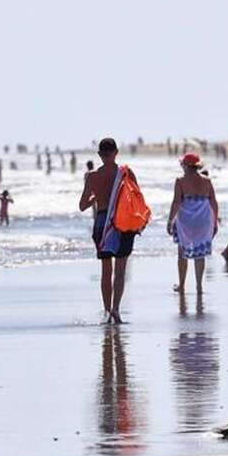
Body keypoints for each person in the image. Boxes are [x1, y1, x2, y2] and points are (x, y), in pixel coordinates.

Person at [78, 138, 137, 323]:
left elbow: (82, 205)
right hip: (122, 222)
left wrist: (97, 196)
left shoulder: (92, 176)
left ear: (99, 155)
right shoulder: (125, 173)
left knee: (106, 269)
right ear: (116, 152)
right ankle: (116, 309)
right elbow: (136, 197)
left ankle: (106, 310)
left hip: (102, 222)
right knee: (120, 269)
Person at [166, 154, 218, 293]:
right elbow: (213, 202)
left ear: (185, 166)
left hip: (185, 222)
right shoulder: (207, 181)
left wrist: (170, 220)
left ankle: (182, 285)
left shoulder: (180, 181)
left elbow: (176, 202)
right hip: (203, 220)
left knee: (182, 252)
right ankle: (199, 286)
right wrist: (215, 221)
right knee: (199, 253)